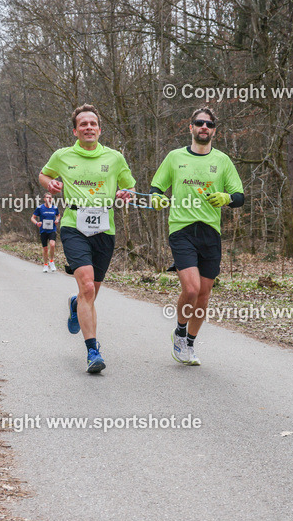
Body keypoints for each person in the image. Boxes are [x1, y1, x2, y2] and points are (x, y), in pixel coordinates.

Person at [38, 104, 134, 373]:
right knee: (88, 288)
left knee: (90, 293)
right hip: (74, 225)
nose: (88, 127)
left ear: (99, 129)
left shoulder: (115, 157)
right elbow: (44, 174)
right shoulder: (62, 155)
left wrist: (126, 193)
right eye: (83, 124)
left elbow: (129, 185)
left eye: (93, 124)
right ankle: (93, 350)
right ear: (75, 131)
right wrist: (50, 183)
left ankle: (75, 303)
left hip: (105, 228)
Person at [150, 107, 245, 365]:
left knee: (203, 294)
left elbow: (239, 197)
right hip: (181, 229)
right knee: (191, 289)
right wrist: (157, 198)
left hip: (210, 232)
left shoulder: (223, 161)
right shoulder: (175, 157)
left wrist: (227, 197)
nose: (204, 127)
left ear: (214, 131)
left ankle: (189, 344)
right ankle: (180, 332)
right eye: (199, 123)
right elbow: (156, 187)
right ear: (190, 127)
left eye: (209, 124)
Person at [31, 192, 61, 272]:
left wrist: (57, 220)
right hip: (43, 230)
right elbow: (32, 218)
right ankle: (45, 265)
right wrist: (37, 223)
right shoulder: (40, 208)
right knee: (45, 249)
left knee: (52, 244)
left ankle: (51, 261)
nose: (49, 199)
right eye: (47, 197)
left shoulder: (54, 208)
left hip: (52, 230)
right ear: (44, 199)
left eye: (50, 198)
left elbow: (58, 215)